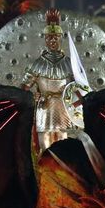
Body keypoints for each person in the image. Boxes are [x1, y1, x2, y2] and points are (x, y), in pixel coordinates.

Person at [20, 8, 75, 152]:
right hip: (44, 107)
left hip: (63, 108)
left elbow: (77, 86)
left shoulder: (70, 63)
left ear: (60, 38)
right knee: (44, 144)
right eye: (49, 38)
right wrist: (33, 96)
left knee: (63, 142)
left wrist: (75, 98)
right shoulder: (37, 64)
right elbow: (23, 88)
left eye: (56, 37)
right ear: (45, 40)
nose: (52, 41)